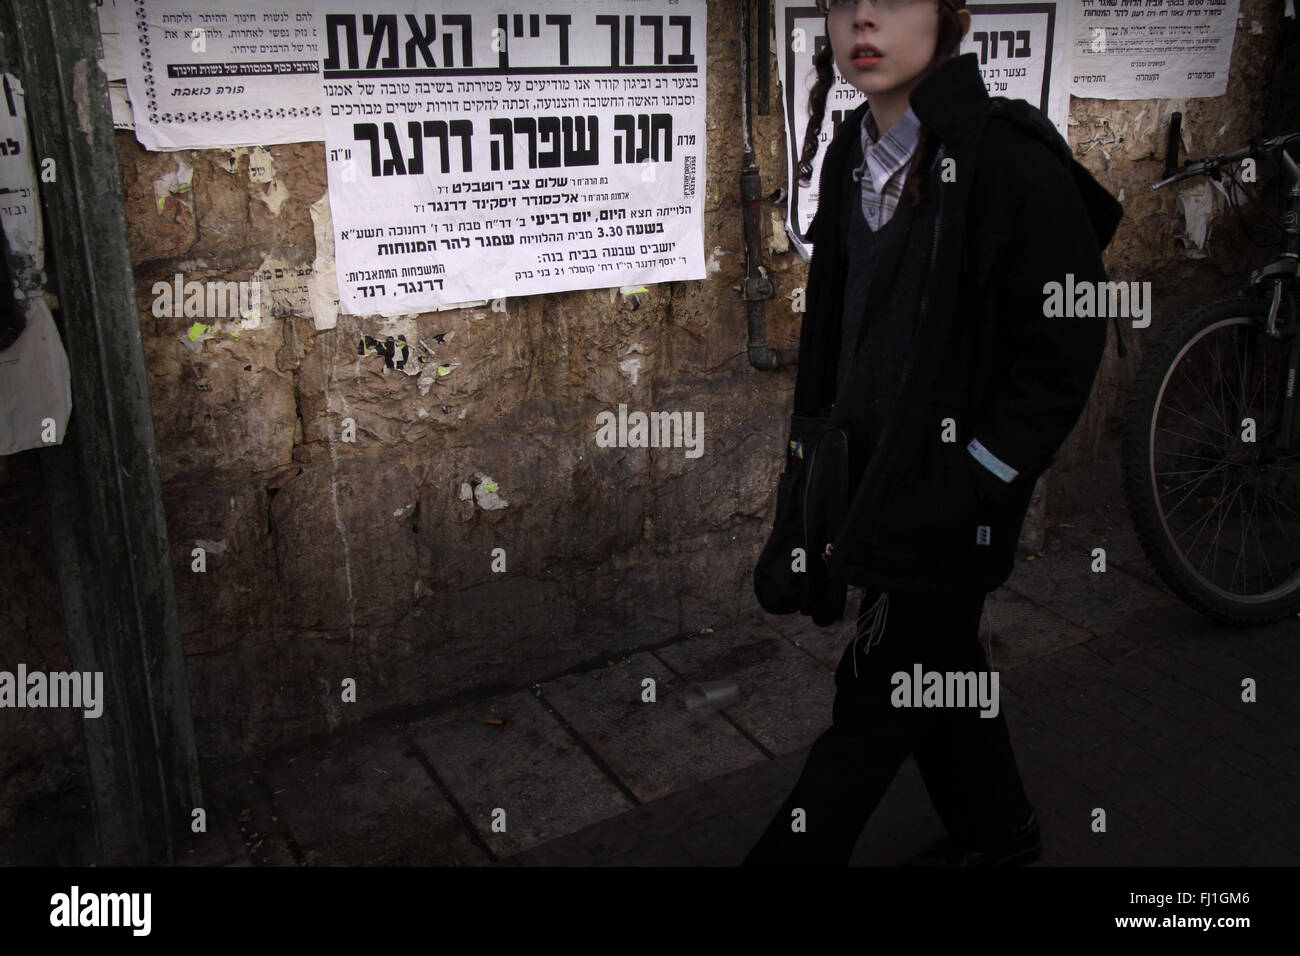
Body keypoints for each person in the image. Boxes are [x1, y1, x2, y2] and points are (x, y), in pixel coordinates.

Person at [743, 0, 1124, 866]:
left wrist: (980, 475)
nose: (862, 18)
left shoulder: (1009, 158)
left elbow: (1068, 336)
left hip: (957, 497)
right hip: (869, 480)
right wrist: (812, 462)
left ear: (950, 17)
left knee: (875, 693)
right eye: (844, 2)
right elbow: (837, 332)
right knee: (938, 665)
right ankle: (1003, 831)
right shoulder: (849, 152)